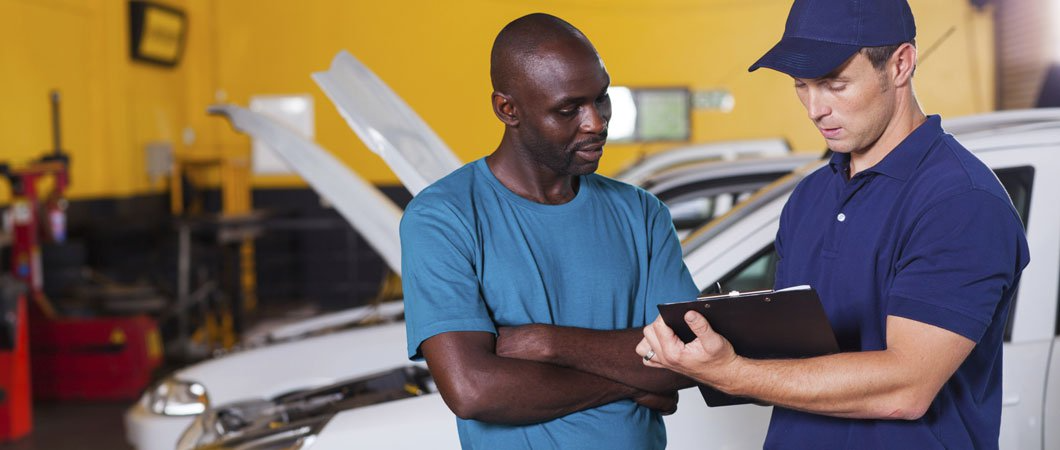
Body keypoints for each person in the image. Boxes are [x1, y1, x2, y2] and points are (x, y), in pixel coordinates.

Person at [637, 1, 1030, 449]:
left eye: (835, 84)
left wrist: (733, 373)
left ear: (900, 64)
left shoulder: (960, 201)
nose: (814, 108)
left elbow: (906, 388)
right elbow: (793, 357)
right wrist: (701, 348)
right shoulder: (809, 198)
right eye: (801, 86)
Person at [400, 13, 698, 450]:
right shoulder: (443, 217)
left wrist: (548, 343)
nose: (595, 122)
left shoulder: (642, 213)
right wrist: (630, 382)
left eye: (601, 99)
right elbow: (473, 390)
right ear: (508, 109)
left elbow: (690, 358)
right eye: (568, 109)